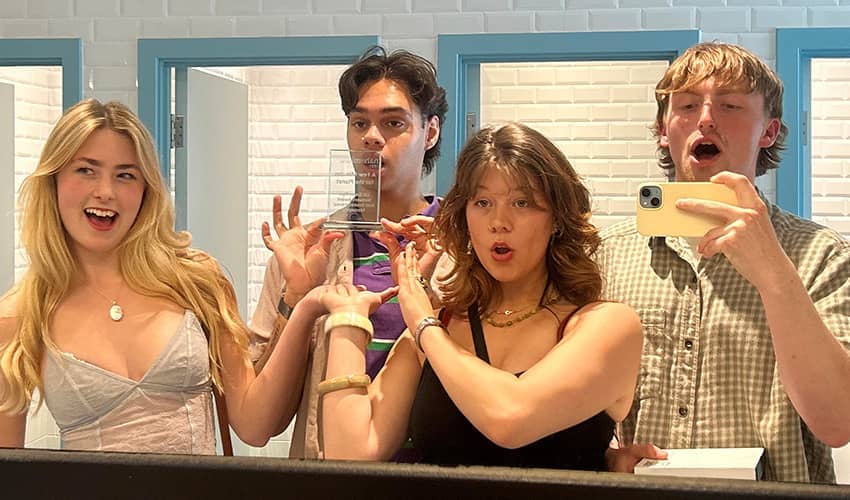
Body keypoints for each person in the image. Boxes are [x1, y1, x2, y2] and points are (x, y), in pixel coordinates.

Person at [314, 122, 642, 469]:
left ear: (558, 218)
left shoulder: (606, 325)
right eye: (482, 202)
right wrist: (348, 316)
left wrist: (423, 325)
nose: (499, 221)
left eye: (522, 202)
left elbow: (511, 419)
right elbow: (350, 454)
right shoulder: (444, 323)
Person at [0, 99, 318, 454]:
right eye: (86, 170)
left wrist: (299, 299)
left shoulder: (196, 281)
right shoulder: (18, 315)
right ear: (54, 180)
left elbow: (255, 426)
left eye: (125, 175)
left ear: (145, 189)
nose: (105, 191)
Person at [599, 42, 850, 482]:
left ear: (769, 132)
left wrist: (773, 271)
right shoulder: (607, 255)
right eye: (688, 105)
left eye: (730, 105)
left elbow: (838, 422)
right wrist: (601, 454)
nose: (707, 118)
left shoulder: (821, 255)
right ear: (663, 128)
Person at [250, 46, 448, 459]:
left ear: (430, 132)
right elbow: (262, 422)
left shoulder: (465, 248)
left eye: (393, 123)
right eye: (359, 122)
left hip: (442, 475)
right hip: (334, 478)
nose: (372, 137)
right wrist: (296, 298)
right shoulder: (307, 251)